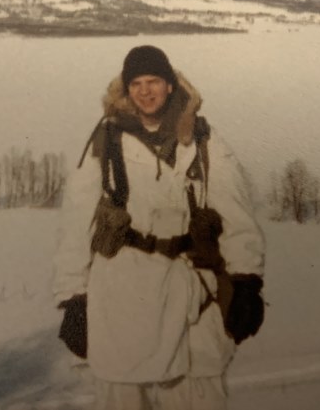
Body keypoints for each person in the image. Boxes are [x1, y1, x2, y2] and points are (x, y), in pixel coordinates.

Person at [53, 45, 265, 410]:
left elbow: (236, 215)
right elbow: (76, 222)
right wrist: (74, 297)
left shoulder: (202, 139)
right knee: (122, 393)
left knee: (200, 388)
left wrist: (246, 280)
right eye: (136, 82)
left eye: (153, 81)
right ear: (126, 88)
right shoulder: (106, 140)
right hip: (121, 291)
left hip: (191, 288)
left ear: (170, 84)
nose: (145, 91)